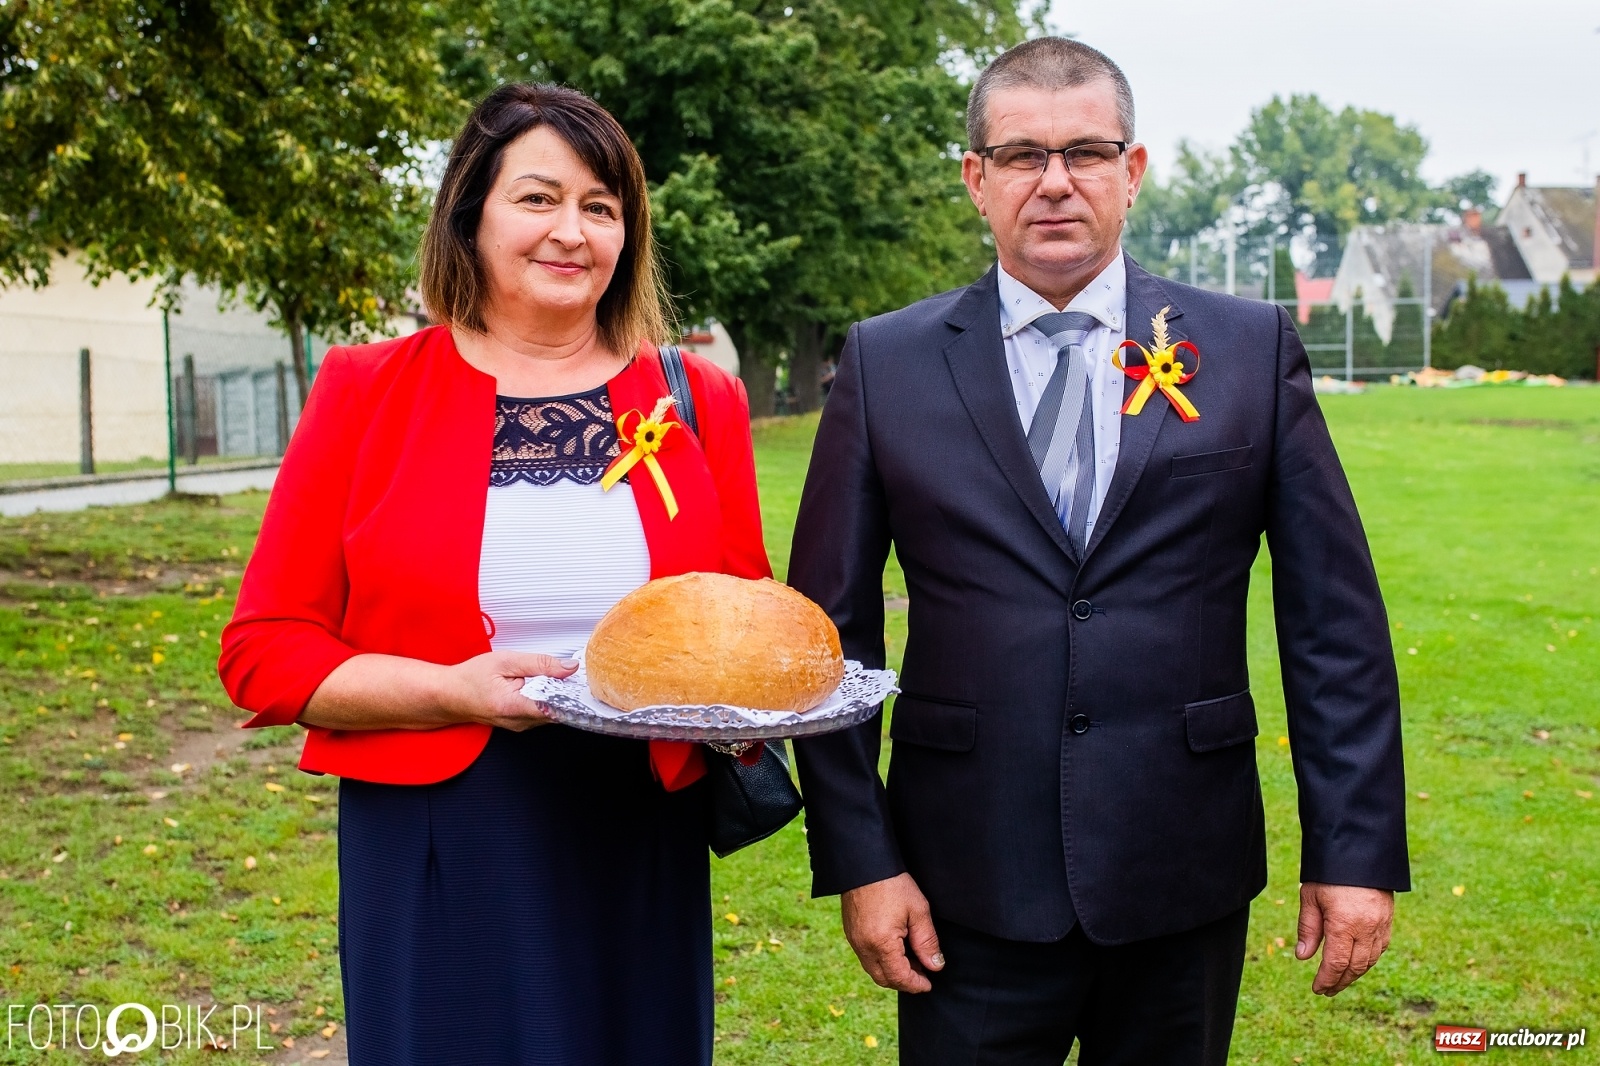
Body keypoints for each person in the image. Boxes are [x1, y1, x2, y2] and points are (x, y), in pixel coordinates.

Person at [789, 37, 1408, 1066]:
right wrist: (861, 859)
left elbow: (1332, 621)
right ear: (976, 178)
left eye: (1085, 151)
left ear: (1134, 170)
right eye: (1021, 155)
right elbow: (827, 636)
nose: (1055, 182)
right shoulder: (885, 363)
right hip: (962, 880)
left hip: (1181, 866)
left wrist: (1353, 850)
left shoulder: (1248, 349)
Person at [218, 83, 769, 1065]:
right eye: (538, 198)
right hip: (439, 830)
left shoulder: (699, 398)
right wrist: (450, 690)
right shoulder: (365, 391)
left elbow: (742, 623)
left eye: (601, 207)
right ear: (469, 213)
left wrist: (745, 701)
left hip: (638, 830)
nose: (572, 231)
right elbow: (265, 652)